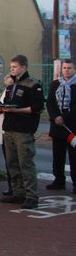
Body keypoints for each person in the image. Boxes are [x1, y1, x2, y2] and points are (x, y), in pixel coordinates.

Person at [0, 55, 44, 209]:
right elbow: (6, 106)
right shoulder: (10, 86)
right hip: (8, 128)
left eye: (14, 67)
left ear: (24, 67)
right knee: (12, 163)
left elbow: (36, 108)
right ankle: (18, 192)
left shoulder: (33, 85)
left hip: (23, 130)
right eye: (11, 68)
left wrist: (16, 110)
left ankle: (31, 196)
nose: (12, 70)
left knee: (25, 163)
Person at [46, 59, 76, 192]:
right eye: (64, 68)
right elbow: (50, 103)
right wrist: (55, 117)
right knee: (58, 155)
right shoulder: (55, 84)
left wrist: (64, 117)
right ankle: (59, 180)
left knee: (74, 156)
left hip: (72, 125)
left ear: (74, 69)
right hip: (57, 125)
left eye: (69, 68)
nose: (66, 70)